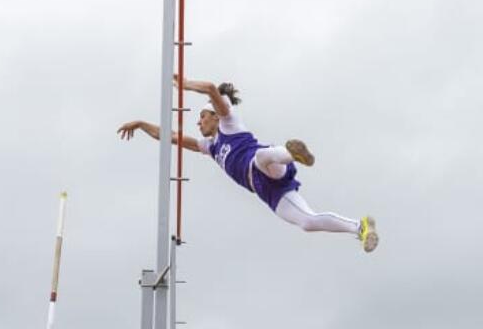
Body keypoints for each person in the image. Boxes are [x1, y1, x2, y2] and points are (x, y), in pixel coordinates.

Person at [118, 77, 378, 252]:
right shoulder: (210, 146)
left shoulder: (229, 123)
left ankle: (292, 153)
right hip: (268, 191)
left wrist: (185, 84)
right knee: (308, 223)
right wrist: (141, 124)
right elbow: (172, 137)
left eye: (202, 117)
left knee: (261, 158)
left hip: (267, 164)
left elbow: (210, 88)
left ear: (215, 116)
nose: (198, 123)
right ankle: (360, 227)